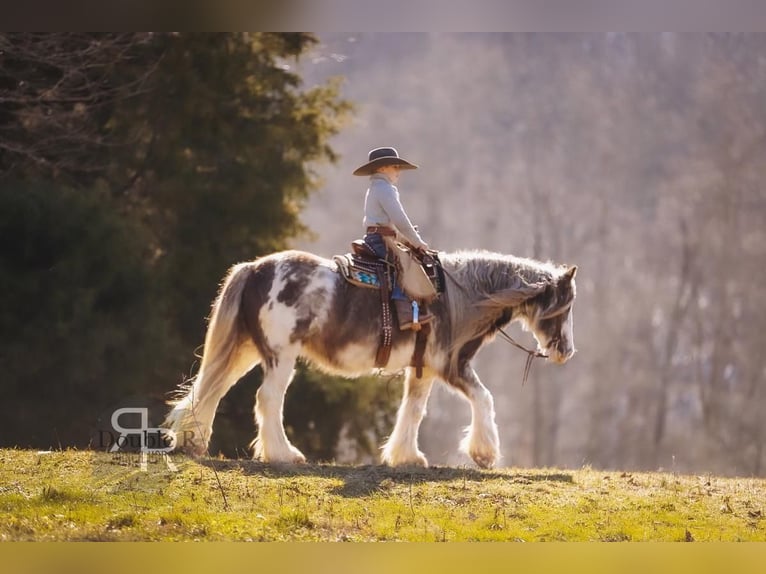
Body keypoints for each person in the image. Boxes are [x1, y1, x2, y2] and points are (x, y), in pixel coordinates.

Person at [353, 147, 436, 329]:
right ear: (382, 168)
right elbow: (400, 220)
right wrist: (417, 242)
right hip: (381, 240)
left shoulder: (376, 187)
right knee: (405, 264)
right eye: (395, 166)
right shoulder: (385, 188)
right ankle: (405, 313)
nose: (398, 171)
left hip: (376, 237)